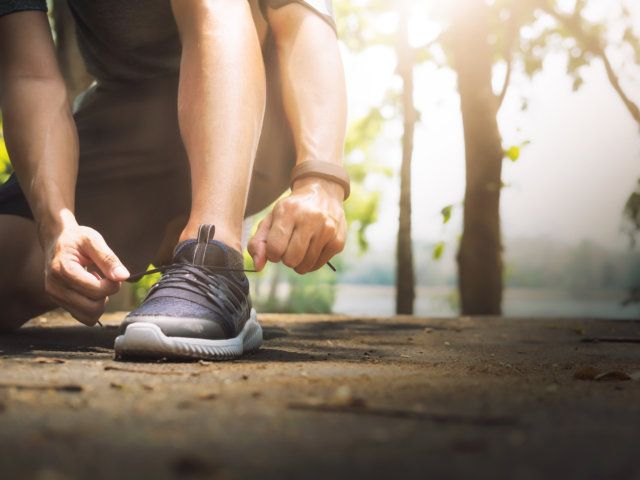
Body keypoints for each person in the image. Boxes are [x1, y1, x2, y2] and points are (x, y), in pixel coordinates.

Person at [0, 0, 349, 359]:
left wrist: (320, 180)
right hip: (128, 123)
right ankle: (167, 229)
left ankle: (212, 255)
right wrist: (57, 224)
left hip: (264, 115)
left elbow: (302, 18)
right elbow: (29, 75)